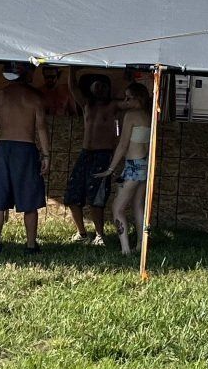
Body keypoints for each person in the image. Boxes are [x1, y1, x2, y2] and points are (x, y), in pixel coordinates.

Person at [0, 65, 51, 252]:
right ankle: (31, 245)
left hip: (4, 149)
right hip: (26, 150)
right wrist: (46, 155)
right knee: (30, 202)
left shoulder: (1, 95)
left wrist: (7, 123)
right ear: (28, 75)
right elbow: (41, 129)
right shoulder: (34, 98)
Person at [63, 73, 119, 244]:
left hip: (103, 155)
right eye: (97, 86)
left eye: (103, 86)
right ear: (91, 89)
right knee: (72, 195)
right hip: (85, 153)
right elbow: (72, 87)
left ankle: (99, 235)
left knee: (97, 198)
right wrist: (72, 66)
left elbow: (133, 101)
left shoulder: (113, 106)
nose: (100, 89)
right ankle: (82, 234)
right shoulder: (86, 105)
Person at [109, 79, 154, 257]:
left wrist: (111, 168)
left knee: (117, 208)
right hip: (144, 165)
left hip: (133, 166)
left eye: (128, 99)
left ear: (137, 99)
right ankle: (141, 245)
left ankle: (125, 250)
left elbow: (122, 145)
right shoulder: (147, 115)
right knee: (137, 204)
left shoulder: (131, 115)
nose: (125, 102)